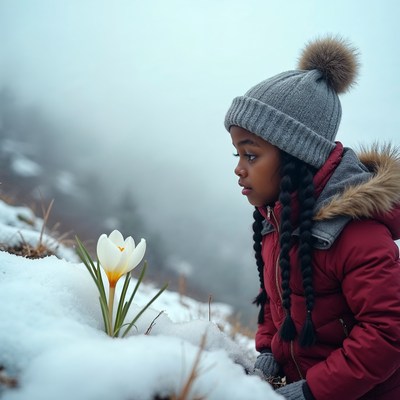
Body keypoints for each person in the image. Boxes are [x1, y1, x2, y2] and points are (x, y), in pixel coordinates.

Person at [224, 36, 400, 399]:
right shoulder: (279, 221)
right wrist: (271, 351)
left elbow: (388, 332)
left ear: (296, 157)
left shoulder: (357, 235)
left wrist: (313, 391)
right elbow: (277, 300)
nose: (239, 170)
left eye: (251, 155)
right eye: (236, 155)